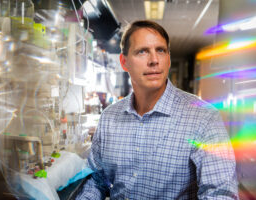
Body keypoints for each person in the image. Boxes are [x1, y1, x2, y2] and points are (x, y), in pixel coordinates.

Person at [76, 20, 239, 200]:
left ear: (168, 59)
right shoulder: (109, 117)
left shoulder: (204, 117)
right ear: (124, 62)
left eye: (160, 50)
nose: (154, 60)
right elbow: (97, 180)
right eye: (142, 51)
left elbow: (220, 193)